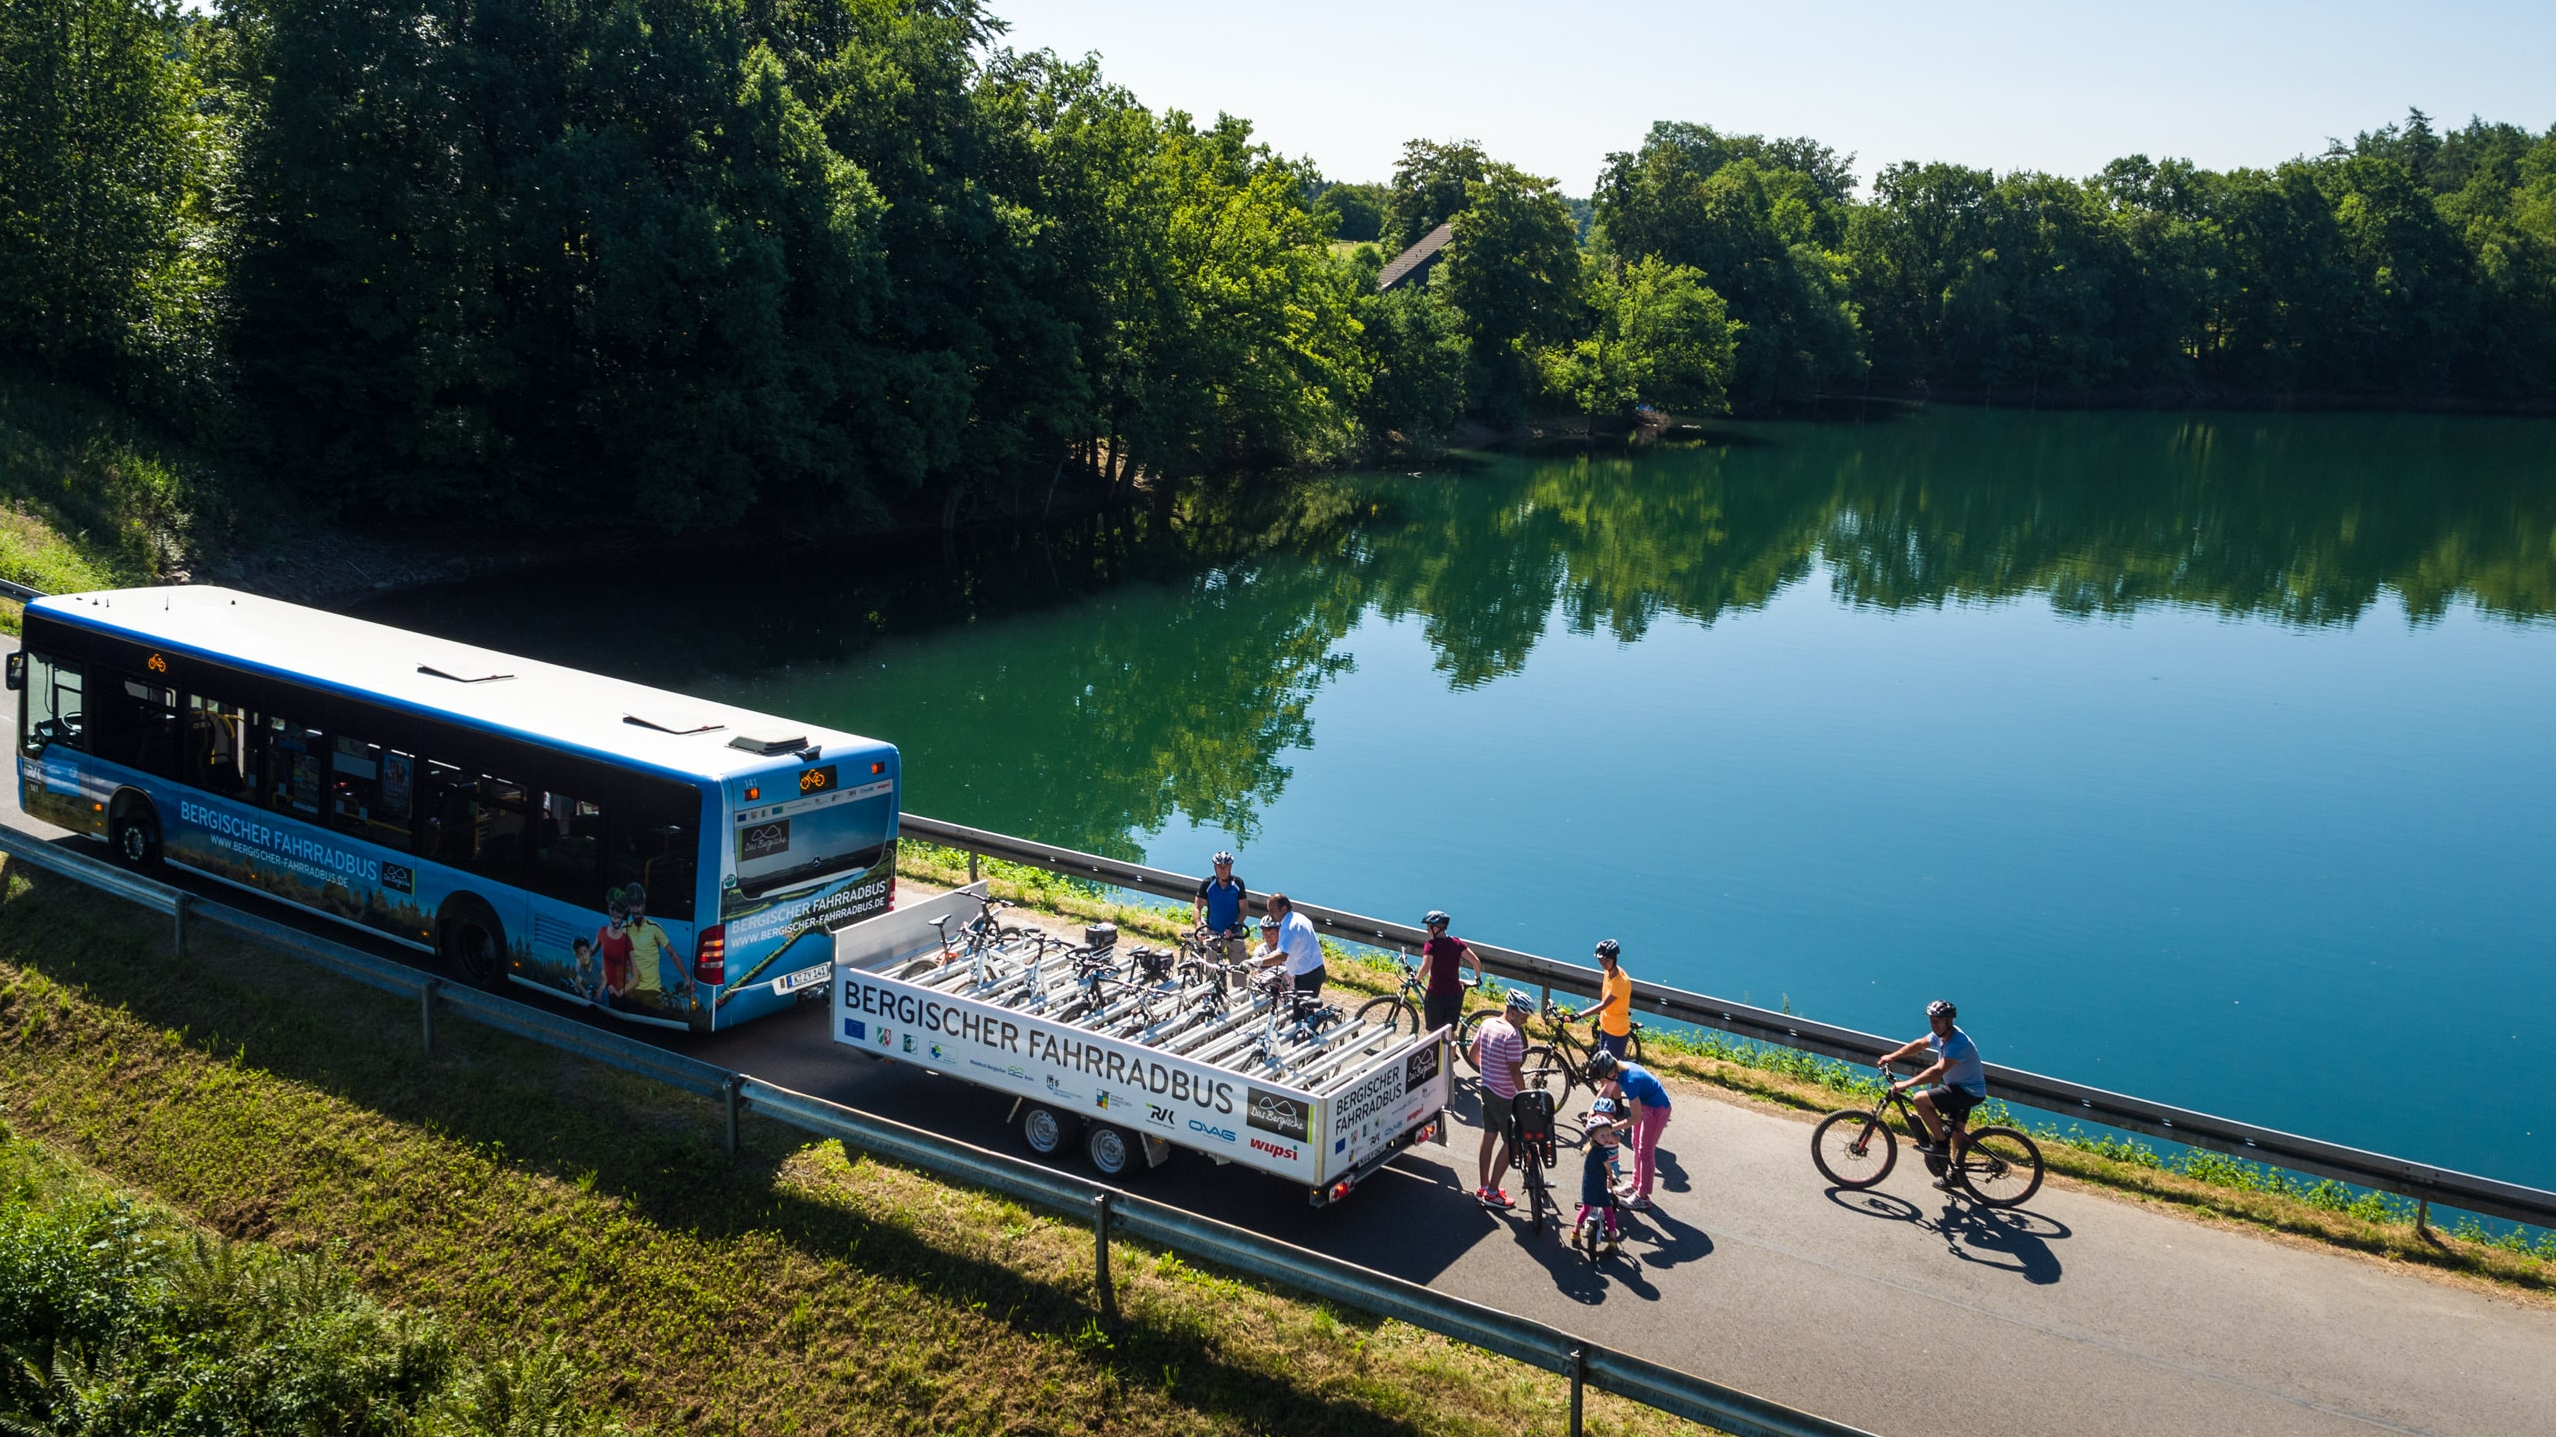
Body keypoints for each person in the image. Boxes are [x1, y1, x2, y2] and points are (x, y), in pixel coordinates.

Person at [1877, 999, 1988, 1191]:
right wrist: (1893, 1056)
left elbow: (1938, 1071)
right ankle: (1956, 1174)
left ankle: (1940, 1145)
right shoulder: (1941, 1035)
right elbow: (1919, 1045)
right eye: (1931, 1020)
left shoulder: (1957, 1043)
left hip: (1967, 1091)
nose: (1933, 1024)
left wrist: (1907, 1084)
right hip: (1963, 1089)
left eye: (1937, 1021)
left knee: (1920, 1099)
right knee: (1957, 1131)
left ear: (1949, 1021)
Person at [1467, 989, 1532, 1209]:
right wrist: (1524, 1097)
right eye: (1523, 1016)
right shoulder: (1512, 1036)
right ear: (1512, 1012)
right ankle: (1493, 1193)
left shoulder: (1487, 1024)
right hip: (1505, 1097)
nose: (1525, 1021)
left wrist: (1489, 1071)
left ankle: (1483, 1186)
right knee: (1512, 1142)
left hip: (1486, 1089)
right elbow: (1515, 1072)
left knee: (1489, 1136)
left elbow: (1472, 1054)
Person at [1587, 1049, 1671, 1211]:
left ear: (1611, 1072)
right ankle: (1635, 1184)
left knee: (1645, 1151)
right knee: (1635, 1143)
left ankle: (1643, 1197)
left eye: (1603, 1077)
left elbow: (1635, 1118)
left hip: (1657, 1109)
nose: (1602, 1081)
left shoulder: (1630, 1080)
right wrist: (1592, 1108)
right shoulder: (1618, 1069)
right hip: (1646, 1105)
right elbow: (1606, 1090)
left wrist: (1610, 1128)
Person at [619, 881, 694, 1014]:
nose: (636, 910)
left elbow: (672, 954)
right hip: (631, 989)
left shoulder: (654, 928)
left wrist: (686, 977)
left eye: (639, 905)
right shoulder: (625, 929)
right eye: (632, 905)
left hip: (651, 991)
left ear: (644, 905)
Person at [1417, 910, 1480, 1036]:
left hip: (1436, 994)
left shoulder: (1431, 945)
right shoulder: (1457, 943)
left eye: (1428, 928)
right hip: (1455, 995)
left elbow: (1425, 967)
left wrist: (1417, 978)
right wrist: (1477, 978)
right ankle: (1451, 1055)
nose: (1427, 931)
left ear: (1435, 928)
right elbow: (1476, 961)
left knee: (1433, 1033)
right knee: (1449, 1032)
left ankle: (1436, 1055)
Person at [1575, 1115, 1626, 1256]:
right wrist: (1612, 1176)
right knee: (1609, 1212)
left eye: (1608, 1134)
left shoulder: (1589, 1149)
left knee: (1586, 1209)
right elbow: (1608, 1168)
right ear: (1594, 1136)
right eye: (1603, 1135)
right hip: (1599, 1188)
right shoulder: (1603, 1153)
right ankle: (1612, 1238)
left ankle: (1575, 1232)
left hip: (1588, 1185)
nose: (1606, 1137)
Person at [1263, 892, 1325, 996]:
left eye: (1272, 911)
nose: (1269, 915)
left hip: (1306, 976)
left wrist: (1258, 962)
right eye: (1268, 911)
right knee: (1307, 1008)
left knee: (1300, 1011)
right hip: (1317, 969)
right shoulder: (1299, 917)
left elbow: (1282, 956)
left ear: (1283, 909)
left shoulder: (1288, 927)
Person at [1192, 851, 1249, 960]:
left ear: (1231, 867)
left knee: (1240, 971)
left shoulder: (1238, 884)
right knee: (1212, 970)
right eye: (1219, 867)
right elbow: (1197, 907)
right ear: (1215, 867)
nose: (1223, 870)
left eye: (1226, 866)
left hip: (1234, 932)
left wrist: (1235, 925)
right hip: (1213, 931)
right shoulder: (1207, 884)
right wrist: (1199, 926)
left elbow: (1244, 910)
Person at [1588, 938, 1634, 1059]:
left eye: (1607, 960)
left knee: (1611, 1072)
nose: (1603, 963)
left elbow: (1603, 1005)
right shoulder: (1608, 972)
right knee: (1602, 1066)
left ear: (1614, 959)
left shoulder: (1621, 982)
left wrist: (1578, 1016)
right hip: (1605, 1027)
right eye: (1600, 960)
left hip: (1617, 1032)